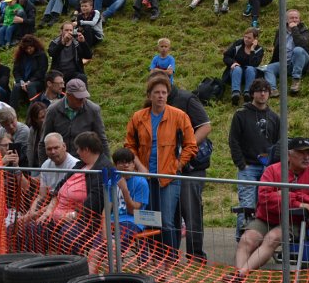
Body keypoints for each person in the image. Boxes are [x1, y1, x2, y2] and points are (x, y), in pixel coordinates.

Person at [225, 138, 309, 283]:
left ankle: (239, 276)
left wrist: (287, 195)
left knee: (272, 238)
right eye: (302, 153)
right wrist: (298, 202)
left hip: (294, 221)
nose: (307, 157)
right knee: (247, 239)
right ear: (289, 155)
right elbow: (265, 199)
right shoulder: (272, 170)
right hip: (266, 217)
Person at [124, 73, 197, 250]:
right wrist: (139, 166)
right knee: (147, 220)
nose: (160, 96)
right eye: (157, 92)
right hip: (145, 178)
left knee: (166, 221)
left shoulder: (179, 116)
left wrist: (177, 165)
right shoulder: (138, 117)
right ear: (149, 95)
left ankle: (170, 259)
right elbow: (129, 145)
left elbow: (191, 145)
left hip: (169, 177)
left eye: (164, 92)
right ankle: (150, 258)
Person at [228, 78, 280, 239]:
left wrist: (274, 165)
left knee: (266, 206)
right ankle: (242, 239)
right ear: (252, 94)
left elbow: (278, 144)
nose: (262, 94)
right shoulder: (241, 114)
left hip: (268, 170)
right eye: (259, 90)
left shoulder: (274, 117)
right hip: (248, 168)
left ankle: (260, 240)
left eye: (265, 90)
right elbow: (233, 141)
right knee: (247, 206)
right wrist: (241, 164)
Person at [38, 78, 107, 165]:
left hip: (85, 163)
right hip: (59, 163)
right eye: (79, 98)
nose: (82, 100)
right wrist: (44, 168)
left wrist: (107, 165)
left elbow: (102, 140)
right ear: (68, 95)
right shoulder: (53, 110)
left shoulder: (93, 109)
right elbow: (43, 142)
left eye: (84, 97)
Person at [20, 132, 78, 221]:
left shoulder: (75, 165)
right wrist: (31, 212)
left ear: (64, 146)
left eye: (56, 148)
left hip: (66, 208)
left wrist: (34, 215)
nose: (53, 152)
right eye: (49, 149)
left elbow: (61, 200)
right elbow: (41, 195)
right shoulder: (46, 165)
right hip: (49, 204)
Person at [261, 9, 309, 96]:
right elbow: (276, 47)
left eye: (296, 18)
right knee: (269, 68)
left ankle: (296, 80)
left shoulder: (304, 31)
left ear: (299, 20)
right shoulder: (280, 32)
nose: (294, 20)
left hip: (302, 63)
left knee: (298, 50)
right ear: (286, 20)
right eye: (292, 18)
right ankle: (272, 89)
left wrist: (294, 29)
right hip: (285, 63)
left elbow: (302, 44)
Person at [224, 28, 264, 105]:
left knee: (250, 68)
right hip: (236, 73)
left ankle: (247, 93)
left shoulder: (259, 49)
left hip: (250, 74)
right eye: (245, 37)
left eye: (249, 38)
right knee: (237, 68)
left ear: (255, 39)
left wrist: (252, 50)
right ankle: (235, 93)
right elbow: (226, 56)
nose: (246, 39)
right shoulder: (238, 44)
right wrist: (233, 63)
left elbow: (254, 64)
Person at [10, 35, 48, 110]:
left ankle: (35, 109)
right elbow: (16, 71)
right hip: (23, 81)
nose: (28, 50)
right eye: (26, 49)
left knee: (31, 86)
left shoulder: (41, 55)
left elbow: (41, 71)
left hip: (38, 81)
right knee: (16, 87)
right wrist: (21, 81)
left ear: (34, 46)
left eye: (30, 48)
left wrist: (30, 81)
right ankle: (12, 110)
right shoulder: (20, 56)